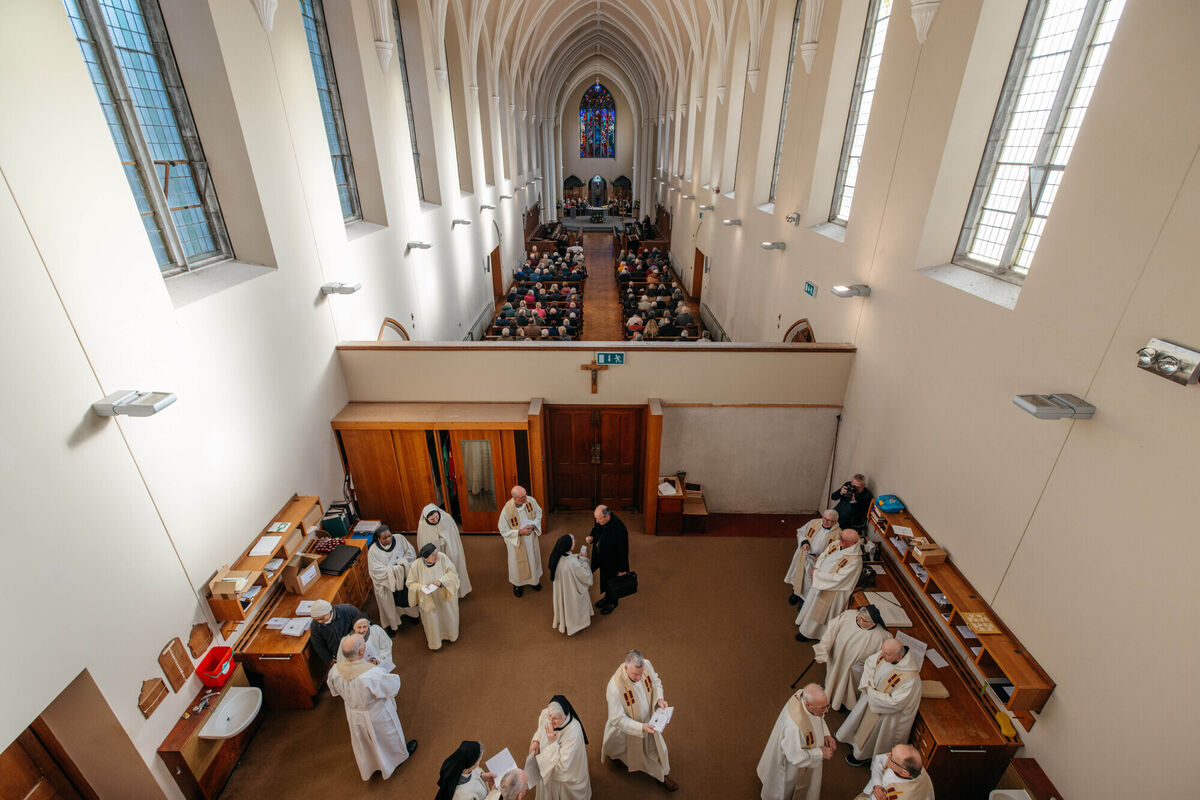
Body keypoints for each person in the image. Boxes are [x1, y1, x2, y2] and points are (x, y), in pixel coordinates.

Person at [326, 634, 417, 780]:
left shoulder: (335, 670)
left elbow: (334, 690)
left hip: (353, 713)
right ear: (361, 652)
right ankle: (396, 759)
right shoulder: (370, 674)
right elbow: (392, 687)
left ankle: (372, 765)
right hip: (375, 713)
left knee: (363, 741)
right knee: (387, 737)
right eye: (363, 644)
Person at [837, 639, 922, 767]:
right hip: (872, 699)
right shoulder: (887, 654)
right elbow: (870, 663)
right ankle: (850, 739)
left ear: (899, 658)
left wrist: (871, 692)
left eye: (886, 654)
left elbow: (895, 703)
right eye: (882, 651)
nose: (881, 655)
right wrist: (868, 684)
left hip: (886, 714)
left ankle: (862, 756)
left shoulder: (911, 680)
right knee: (858, 721)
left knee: (872, 736)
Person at [602, 649, 677, 791]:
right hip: (628, 728)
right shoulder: (614, 688)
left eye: (641, 673)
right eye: (635, 674)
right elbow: (617, 719)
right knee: (620, 748)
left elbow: (655, 682)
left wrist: (659, 697)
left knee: (656, 751)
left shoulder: (646, 665)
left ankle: (661, 775)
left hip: (649, 721)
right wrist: (640, 727)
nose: (639, 678)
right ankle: (616, 758)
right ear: (625, 667)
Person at [755, 683, 834, 800]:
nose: (827, 711)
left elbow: (818, 718)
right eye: (823, 708)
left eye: (827, 705)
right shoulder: (795, 727)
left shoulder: (803, 694)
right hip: (793, 767)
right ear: (808, 705)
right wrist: (821, 753)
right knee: (786, 788)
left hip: (808, 753)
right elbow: (795, 756)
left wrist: (826, 734)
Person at [813, 605, 889, 712]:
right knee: (833, 678)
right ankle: (829, 694)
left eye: (862, 619)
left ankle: (842, 703)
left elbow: (882, 658)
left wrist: (868, 666)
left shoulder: (882, 637)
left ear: (872, 624)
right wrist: (823, 649)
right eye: (859, 615)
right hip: (837, 658)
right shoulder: (849, 616)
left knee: (846, 688)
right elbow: (831, 630)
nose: (857, 619)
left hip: (854, 669)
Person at [795, 530, 862, 641]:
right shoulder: (836, 544)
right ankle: (804, 625)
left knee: (820, 614)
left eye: (842, 539)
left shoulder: (855, 560)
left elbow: (839, 579)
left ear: (851, 543)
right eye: (840, 537)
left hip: (833, 591)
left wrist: (817, 575)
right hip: (819, 582)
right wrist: (816, 568)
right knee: (811, 607)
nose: (839, 539)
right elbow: (823, 556)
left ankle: (812, 634)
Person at [528, 696, 591, 799]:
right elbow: (541, 727)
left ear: (565, 717)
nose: (551, 723)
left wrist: (552, 744)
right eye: (549, 717)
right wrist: (536, 741)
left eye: (555, 719)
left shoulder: (573, 732)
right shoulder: (548, 714)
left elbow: (562, 768)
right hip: (546, 763)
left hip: (561, 778)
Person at [406, 543, 461, 650]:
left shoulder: (442, 557)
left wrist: (441, 581)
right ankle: (436, 642)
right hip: (428, 599)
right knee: (433, 621)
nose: (436, 557)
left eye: (436, 553)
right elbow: (410, 583)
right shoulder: (416, 565)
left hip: (443, 595)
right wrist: (422, 587)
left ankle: (451, 635)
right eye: (433, 556)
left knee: (448, 616)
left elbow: (453, 573)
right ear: (425, 558)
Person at [367, 526, 419, 635]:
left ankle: (412, 615)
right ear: (378, 539)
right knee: (389, 605)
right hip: (387, 584)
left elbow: (411, 554)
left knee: (408, 599)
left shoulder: (400, 539)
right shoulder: (373, 551)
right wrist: (394, 570)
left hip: (404, 578)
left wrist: (402, 563)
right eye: (384, 538)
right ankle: (392, 624)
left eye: (389, 536)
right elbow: (375, 571)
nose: (388, 540)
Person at [784, 510, 841, 605]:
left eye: (829, 520)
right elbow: (801, 531)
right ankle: (796, 594)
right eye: (824, 518)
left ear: (835, 522)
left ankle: (804, 601)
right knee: (798, 576)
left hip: (817, 562)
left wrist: (822, 558)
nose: (825, 522)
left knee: (808, 582)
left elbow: (836, 552)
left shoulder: (838, 534)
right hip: (804, 555)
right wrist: (804, 541)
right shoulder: (814, 522)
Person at [418, 504, 472, 598]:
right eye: (432, 519)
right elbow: (422, 541)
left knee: (453, 567)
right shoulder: (423, 525)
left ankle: (458, 592)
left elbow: (453, 536)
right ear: (426, 519)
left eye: (436, 517)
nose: (435, 520)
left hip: (449, 548)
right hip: (435, 553)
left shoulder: (446, 518)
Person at [498, 486, 544, 597]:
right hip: (517, 542)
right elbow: (503, 529)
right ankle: (517, 585)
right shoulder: (507, 510)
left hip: (531, 538)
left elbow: (539, 513)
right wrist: (519, 532)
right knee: (517, 564)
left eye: (525, 494)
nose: (526, 498)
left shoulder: (530, 501)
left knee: (532, 558)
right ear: (515, 498)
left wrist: (533, 525)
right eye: (522, 497)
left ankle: (534, 581)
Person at [586, 505, 629, 614]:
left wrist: (622, 569)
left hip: (612, 561)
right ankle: (606, 598)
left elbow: (623, 551)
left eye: (599, 519)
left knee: (612, 581)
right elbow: (595, 530)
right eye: (596, 518)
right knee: (605, 579)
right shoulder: (600, 520)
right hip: (602, 557)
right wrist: (591, 537)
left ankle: (612, 602)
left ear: (607, 516)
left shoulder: (620, 529)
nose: (596, 521)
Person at [549, 534, 594, 635]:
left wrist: (576, 556)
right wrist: (584, 560)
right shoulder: (573, 564)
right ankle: (577, 623)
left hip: (563, 589)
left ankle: (564, 620)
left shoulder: (556, 557)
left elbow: (568, 558)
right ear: (567, 546)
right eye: (573, 542)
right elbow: (586, 576)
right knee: (574, 605)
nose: (575, 542)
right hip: (572, 591)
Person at [856, 745, 934, 800]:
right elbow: (878, 761)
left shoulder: (907, 795)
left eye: (892, 757)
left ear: (904, 773)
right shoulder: (910, 764)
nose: (887, 755)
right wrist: (877, 785)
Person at [307, 599, 362, 666]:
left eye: (322, 618)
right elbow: (318, 644)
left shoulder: (348, 610)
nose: (319, 622)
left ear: (330, 612)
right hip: (338, 655)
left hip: (357, 648)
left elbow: (364, 624)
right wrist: (328, 659)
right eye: (316, 619)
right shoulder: (315, 625)